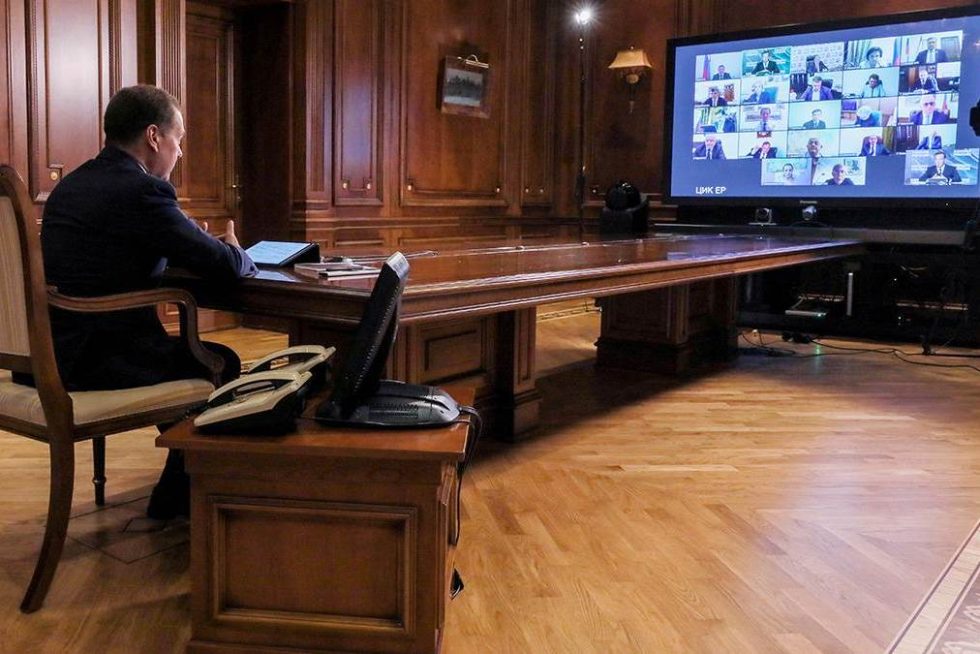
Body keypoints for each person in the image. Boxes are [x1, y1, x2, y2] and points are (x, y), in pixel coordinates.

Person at [37, 85, 257, 519]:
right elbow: (226, 266)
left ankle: (182, 486)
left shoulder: (72, 185)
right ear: (154, 136)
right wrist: (234, 249)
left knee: (191, 361)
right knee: (219, 363)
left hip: (52, 351)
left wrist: (187, 242)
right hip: (95, 358)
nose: (180, 152)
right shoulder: (141, 190)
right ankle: (183, 494)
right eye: (179, 139)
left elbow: (115, 250)